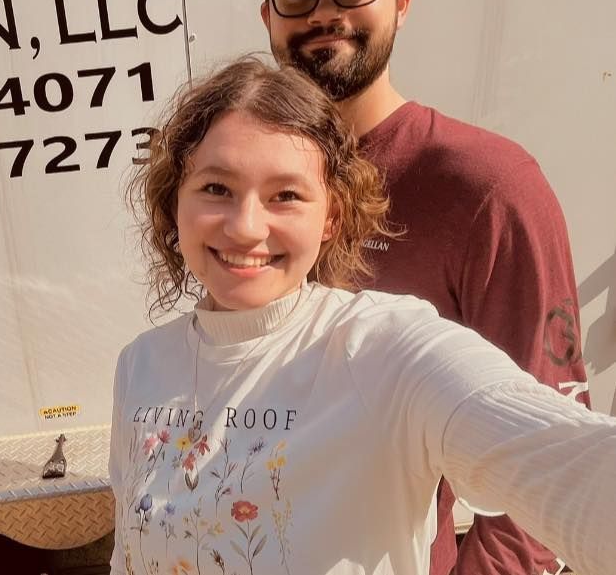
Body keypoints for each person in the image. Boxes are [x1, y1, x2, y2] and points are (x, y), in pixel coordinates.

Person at [108, 57, 614, 575]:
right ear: (176, 204)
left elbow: (563, 457)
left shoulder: (384, 349)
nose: (245, 227)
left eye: (286, 195)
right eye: (216, 188)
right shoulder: (141, 366)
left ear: (330, 218)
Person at [258, 0, 589, 575]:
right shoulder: (250, 185)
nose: (325, 11)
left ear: (402, 2)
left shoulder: (486, 187)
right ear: (269, 18)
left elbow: (548, 450)